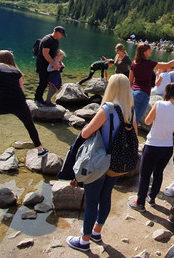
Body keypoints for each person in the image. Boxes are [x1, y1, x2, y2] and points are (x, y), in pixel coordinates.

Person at [66, 74, 138, 252]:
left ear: (111, 88)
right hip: (117, 162)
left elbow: (85, 133)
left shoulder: (108, 109)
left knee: (91, 201)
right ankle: (96, 232)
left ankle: (84, 241)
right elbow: (135, 136)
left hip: (99, 161)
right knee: (106, 197)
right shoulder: (130, 109)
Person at [128, 83, 174, 211]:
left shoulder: (158, 104)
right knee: (158, 173)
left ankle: (140, 203)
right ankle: (152, 197)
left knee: (144, 175)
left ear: (166, 93)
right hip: (167, 147)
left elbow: (147, 121)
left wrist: (158, 120)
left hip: (152, 145)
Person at [130, 43, 174, 124]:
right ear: (144, 52)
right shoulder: (149, 64)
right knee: (135, 122)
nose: (151, 50)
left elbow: (130, 82)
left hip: (133, 93)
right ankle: (131, 136)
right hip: (143, 94)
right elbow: (169, 65)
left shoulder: (134, 63)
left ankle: (124, 135)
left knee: (129, 119)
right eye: (149, 49)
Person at [35, 26, 66, 106]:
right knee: (43, 82)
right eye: (61, 34)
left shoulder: (56, 41)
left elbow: (56, 54)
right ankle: (37, 99)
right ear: (57, 32)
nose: (62, 36)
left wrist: (60, 62)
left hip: (50, 64)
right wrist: (54, 65)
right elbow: (45, 54)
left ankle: (44, 100)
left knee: (49, 82)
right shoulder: (47, 40)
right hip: (42, 64)